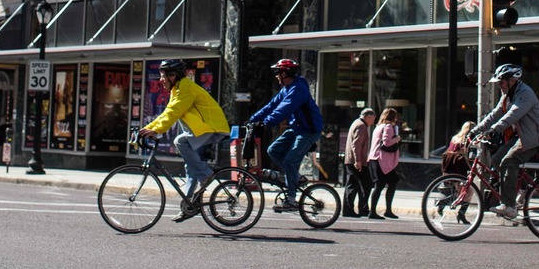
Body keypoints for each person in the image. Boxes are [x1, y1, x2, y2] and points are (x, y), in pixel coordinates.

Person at [139, 59, 231, 222]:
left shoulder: (185, 88)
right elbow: (167, 113)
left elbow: (174, 112)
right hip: (201, 130)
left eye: (163, 76)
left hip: (211, 128)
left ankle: (206, 175)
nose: (161, 80)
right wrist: (148, 128)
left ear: (173, 75)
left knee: (180, 142)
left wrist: (157, 130)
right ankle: (189, 206)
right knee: (191, 168)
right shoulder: (178, 89)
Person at [471, 63, 539, 220]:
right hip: (522, 136)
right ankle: (519, 190)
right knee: (496, 159)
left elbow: (512, 115)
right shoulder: (507, 96)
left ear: (512, 81)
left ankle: (509, 206)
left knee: (509, 161)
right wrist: (475, 130)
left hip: (535, 136)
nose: (499, 86)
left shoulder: (525, 94)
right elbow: (494, 115)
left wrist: (494, 130)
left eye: (501, 82)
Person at [247, 58, 324, 213]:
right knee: (273, 150)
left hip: (309, 131)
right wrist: (253, 119)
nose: (276, 76)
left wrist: (267, 122)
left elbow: (285, 108)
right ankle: (295, 177)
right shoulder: (286, 89)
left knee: (289, 160)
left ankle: (291, 200)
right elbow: (272, 105)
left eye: (277, 72)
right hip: (297, 129)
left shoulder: (298, 89)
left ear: (285, 73)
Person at [366, 107, 401, 219]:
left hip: (375, 159)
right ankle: (376, 211)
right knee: (381, 184)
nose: (396, 119)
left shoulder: (378, 127)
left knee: (390, 181)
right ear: (392, 117)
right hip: (381, 160)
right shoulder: (388, 126)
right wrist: (397, 139)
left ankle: (385, 210)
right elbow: (386, 142)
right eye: (395, 116)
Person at [343, 107, 375, 217]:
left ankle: (352, 209)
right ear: (367, 117)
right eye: (372, 119)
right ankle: (359, 209)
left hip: (352, 159)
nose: (373, 122)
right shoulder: (361, 126)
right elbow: (356, 145)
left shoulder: (356, 123)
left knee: (354, 184)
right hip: (356, 161)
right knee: (365, 184)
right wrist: (358, 161)